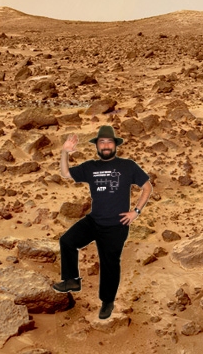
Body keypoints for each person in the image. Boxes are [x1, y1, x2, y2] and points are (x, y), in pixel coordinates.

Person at [53, 125, 152, 320]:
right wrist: (64, 152)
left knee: (109, 265)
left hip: (116, 226)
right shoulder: (91, 167)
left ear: (115, 145)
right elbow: (65, 174)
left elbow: (147, 187)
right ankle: (72, 280)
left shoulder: (128, 166)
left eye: (109, 142)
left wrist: (136, 212)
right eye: (102, 142)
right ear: (97, 146)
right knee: (67, 241)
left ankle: (108, 302)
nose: (105, 145)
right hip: (94, 220)